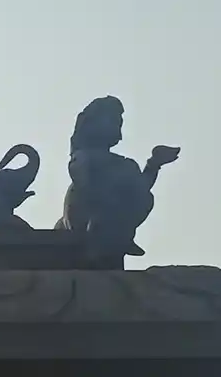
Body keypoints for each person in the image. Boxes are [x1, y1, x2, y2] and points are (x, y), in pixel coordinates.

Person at [57, 95, 179, 258]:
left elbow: (140, 188)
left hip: (116, 218)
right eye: (112, 121)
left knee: (146, 197)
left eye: (118, 123)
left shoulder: (126, 164)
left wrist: (154, 164)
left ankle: (121, 236)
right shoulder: (84, 157)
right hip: (86, 213)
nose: (117, 127)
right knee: (100, 217)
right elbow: (82, 181)